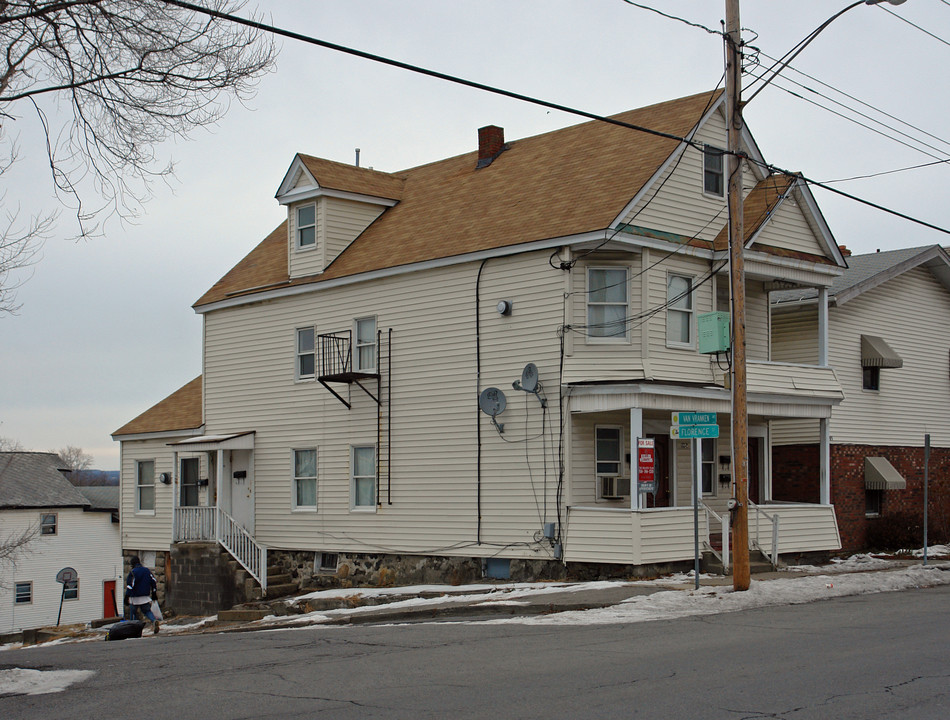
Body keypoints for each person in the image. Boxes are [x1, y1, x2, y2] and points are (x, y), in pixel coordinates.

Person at [125, 555, 160, 634]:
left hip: (134, 597)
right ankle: (154, 621)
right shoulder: (147, 570)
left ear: (132, 564)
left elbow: (130, 586)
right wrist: (154, 592)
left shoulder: (133, 572)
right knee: (147, 611)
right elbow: (153, 581)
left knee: (133, 613)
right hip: (145, 596)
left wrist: (127, 596)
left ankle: (132, 630)